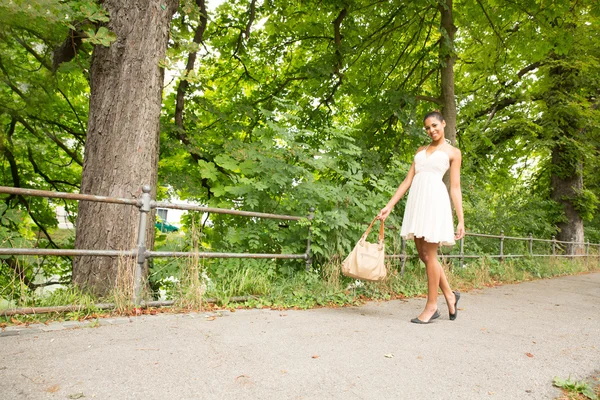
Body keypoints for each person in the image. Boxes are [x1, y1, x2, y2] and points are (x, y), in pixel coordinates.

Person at [377, 111, 465, 324]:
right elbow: (407, 181)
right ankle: (451, 296)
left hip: (435, 203)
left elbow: (454, 187)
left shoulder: (453, 152)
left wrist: (461, 219)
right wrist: (389, 206)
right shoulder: (420, 151)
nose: (431, 130)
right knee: (424, 256)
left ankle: (432, 306)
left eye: (435, 125)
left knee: (431, 255)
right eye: (427, 128)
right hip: (417, 203)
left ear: (443, 123)